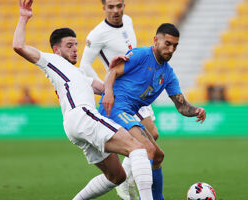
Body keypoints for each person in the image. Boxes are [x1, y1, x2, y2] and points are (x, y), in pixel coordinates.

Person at [12, 0, 154, 199]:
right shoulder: (51, 61)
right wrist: (24, 17)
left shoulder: (78, 74)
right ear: (56, 50)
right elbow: (18, 46)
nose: (75, 49)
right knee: (137, 148)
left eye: (76, 45)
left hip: (75, 125)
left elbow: (104, 88)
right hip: (83, 115)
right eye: (69, 45)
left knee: (117, 176)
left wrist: (113, 70)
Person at [99, 23, 207, 200]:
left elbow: (181, 106)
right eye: (167, 43)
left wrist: (196, 111)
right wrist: (108, 93)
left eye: (175, 46)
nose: (171, 49)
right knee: (147, 149)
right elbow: (112, 71)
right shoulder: (141, 55)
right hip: (115, 107)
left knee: (157, 156)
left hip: (128, 113)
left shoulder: (168, 74)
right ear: (156, 40)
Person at [79, 1, 160, 199]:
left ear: (124, 5)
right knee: (147, 143)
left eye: (119, 6)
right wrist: (107, 89)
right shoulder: (97, 34)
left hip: (137, 89)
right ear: (103, 8)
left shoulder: (129, 21)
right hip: (121, 93)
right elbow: (84, 65)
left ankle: (128, 179)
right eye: (111, 7)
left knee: (153, 135)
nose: (116, 11)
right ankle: (127, 185)